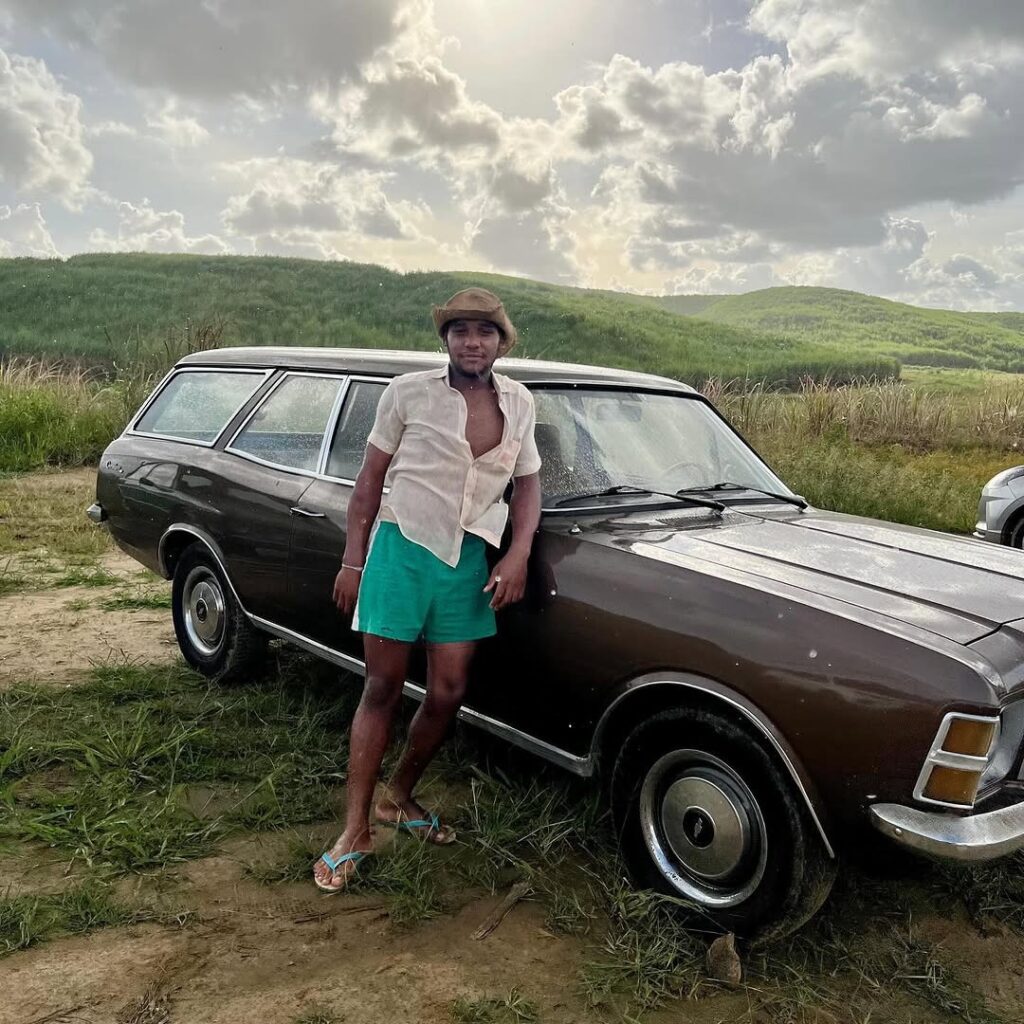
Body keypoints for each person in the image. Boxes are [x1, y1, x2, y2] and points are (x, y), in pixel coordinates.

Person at [313, 287, 543, 892]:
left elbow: (528, 486)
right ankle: (354, 830)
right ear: (445, 339)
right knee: (382, 687)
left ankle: (398, 797)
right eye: (460, 330)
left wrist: (518, 553)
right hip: (401, 550)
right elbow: (370, 481)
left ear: (502, 342)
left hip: (469, 559)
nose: (472, 342)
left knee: (448, 692)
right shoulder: (407, 393)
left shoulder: (520, 402)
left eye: (485, 331)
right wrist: (352, 561)